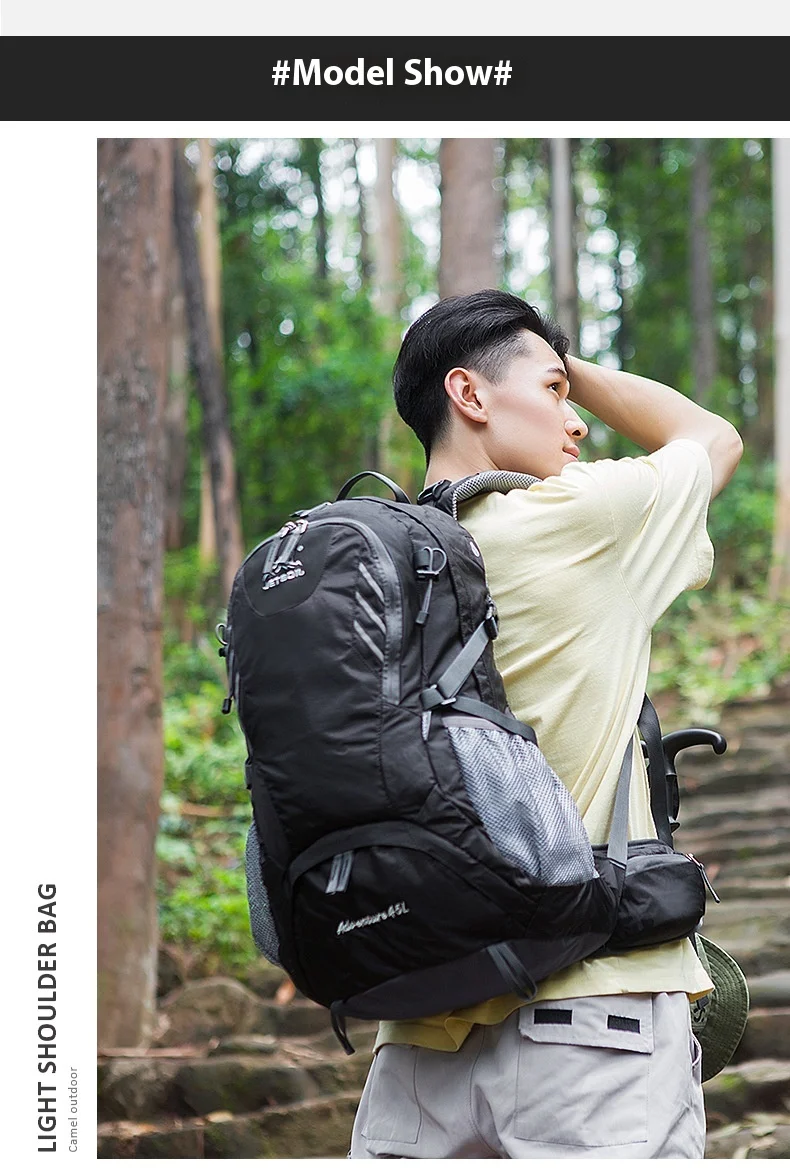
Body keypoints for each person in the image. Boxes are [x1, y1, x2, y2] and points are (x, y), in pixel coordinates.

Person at [347, 289, 743, 1160]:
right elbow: (711, 436)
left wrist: (540, 360)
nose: (577, 422)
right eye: (553, 391)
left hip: (416, 1032)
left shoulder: (374, 564)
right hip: (592, 1016)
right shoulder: (579, 518)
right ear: (469, 394)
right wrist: (574, 359)